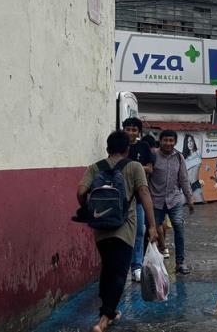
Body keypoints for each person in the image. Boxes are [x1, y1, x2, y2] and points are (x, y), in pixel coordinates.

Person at [77, 131, 159, 332]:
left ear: (107, 149)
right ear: (127, 149)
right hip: (125, 227)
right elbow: (144, 193)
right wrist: (152, 225)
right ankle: (104, 319)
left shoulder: (95, 167)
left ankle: (109, 312)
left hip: (100, 227)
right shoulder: (134, 166)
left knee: (107, 268)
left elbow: (80, 192)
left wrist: (89, 210)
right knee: (120, 271)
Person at [149, 130, 196, 274]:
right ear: (160, 141)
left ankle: (180, 263)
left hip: (174, 199)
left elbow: (184, 179)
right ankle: (149, 263)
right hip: (155, 200)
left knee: (178, 227)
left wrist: (189, 198)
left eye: (171, 140)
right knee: (151, 232)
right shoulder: (153, 155)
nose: (168, 143)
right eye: (165, 140)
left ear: (175, 142)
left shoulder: (179, 157)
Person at [122, 117, 153, 282]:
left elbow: (150, 168)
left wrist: (135, 168)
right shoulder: (119, 144)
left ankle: (137, 267)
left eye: (134, 130)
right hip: (122, 197)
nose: (131, 132)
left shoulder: (144, 146)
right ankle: (123, 266)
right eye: (128, 129)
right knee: (121, 232)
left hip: (140, 197)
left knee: (140, 232)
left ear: (138, 132)